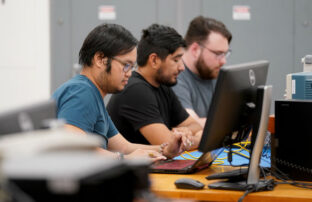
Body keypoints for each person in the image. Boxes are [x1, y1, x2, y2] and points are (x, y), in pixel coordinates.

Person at [52, 23, 187, 161]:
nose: (129, 73)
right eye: (126, 65)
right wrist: (124, 160)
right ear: (100, 59)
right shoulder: (81, 92)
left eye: (131, 67)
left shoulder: (94, 95)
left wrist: (165, 150)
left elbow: (123, 147)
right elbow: (73, 147)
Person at [107, 24, 202, 150]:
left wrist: (186, 133)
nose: (182, 67)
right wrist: (195, 140)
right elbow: (170, 145)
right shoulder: (136, 90)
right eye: (176, 60)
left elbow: (196, 126)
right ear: (154, 60)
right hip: (134, 169)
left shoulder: (163, 87)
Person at [172, 16, 232, 127]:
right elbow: (190, 125)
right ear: (195, 49)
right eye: (218, 54)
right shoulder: (175, 78)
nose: (223, 61)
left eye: (225, 54)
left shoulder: (213, 72)